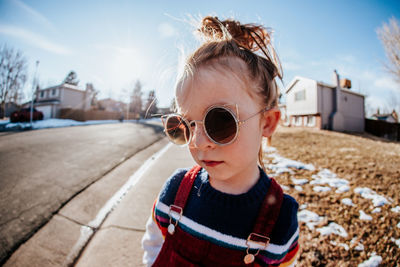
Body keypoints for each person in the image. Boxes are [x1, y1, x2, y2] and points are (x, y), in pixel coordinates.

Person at [142, 16, 299, 266]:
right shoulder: (174, 192)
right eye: (185, 125)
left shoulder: (280, 219)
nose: (199, 141)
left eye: (221, 122)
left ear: (267, 122)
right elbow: (154, 243)